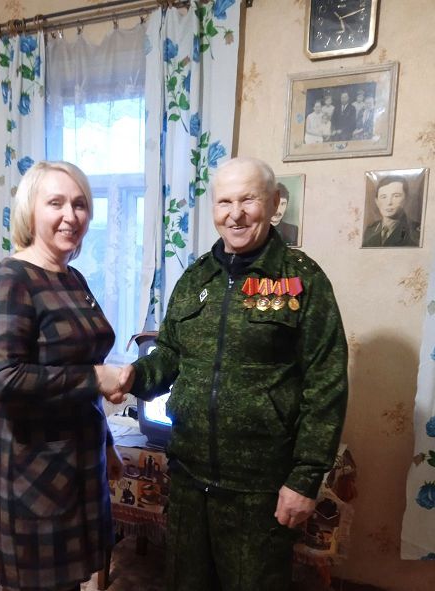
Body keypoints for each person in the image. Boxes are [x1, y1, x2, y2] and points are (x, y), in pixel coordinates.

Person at [114, 157, 348, 591]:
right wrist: (132, 376)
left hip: (258, 490)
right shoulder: (195, 277)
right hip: (188, 480)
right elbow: (170, 355)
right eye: (224, 202)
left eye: (248, 200)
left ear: (274, 203)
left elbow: (326, 384)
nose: (235, 214)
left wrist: (304, 479)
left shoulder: (302, 280)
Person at [0, 160, 125, 591]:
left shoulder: (72, 277)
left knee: (71, 583)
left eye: (79, 205)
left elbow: (82, 363)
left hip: (82, 460)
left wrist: (107, 444)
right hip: (36, 473)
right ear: (31, 211)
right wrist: (95, 379)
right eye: (56, 203)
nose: (70, 216)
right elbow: (5, 380)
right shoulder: (12, 278)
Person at [362, 175, 421, 247]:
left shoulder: (415, 232)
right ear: (377, 201)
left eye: (396, 196)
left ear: (406, 199)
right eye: (383, 197)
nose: (389, 202)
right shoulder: (370, 230)